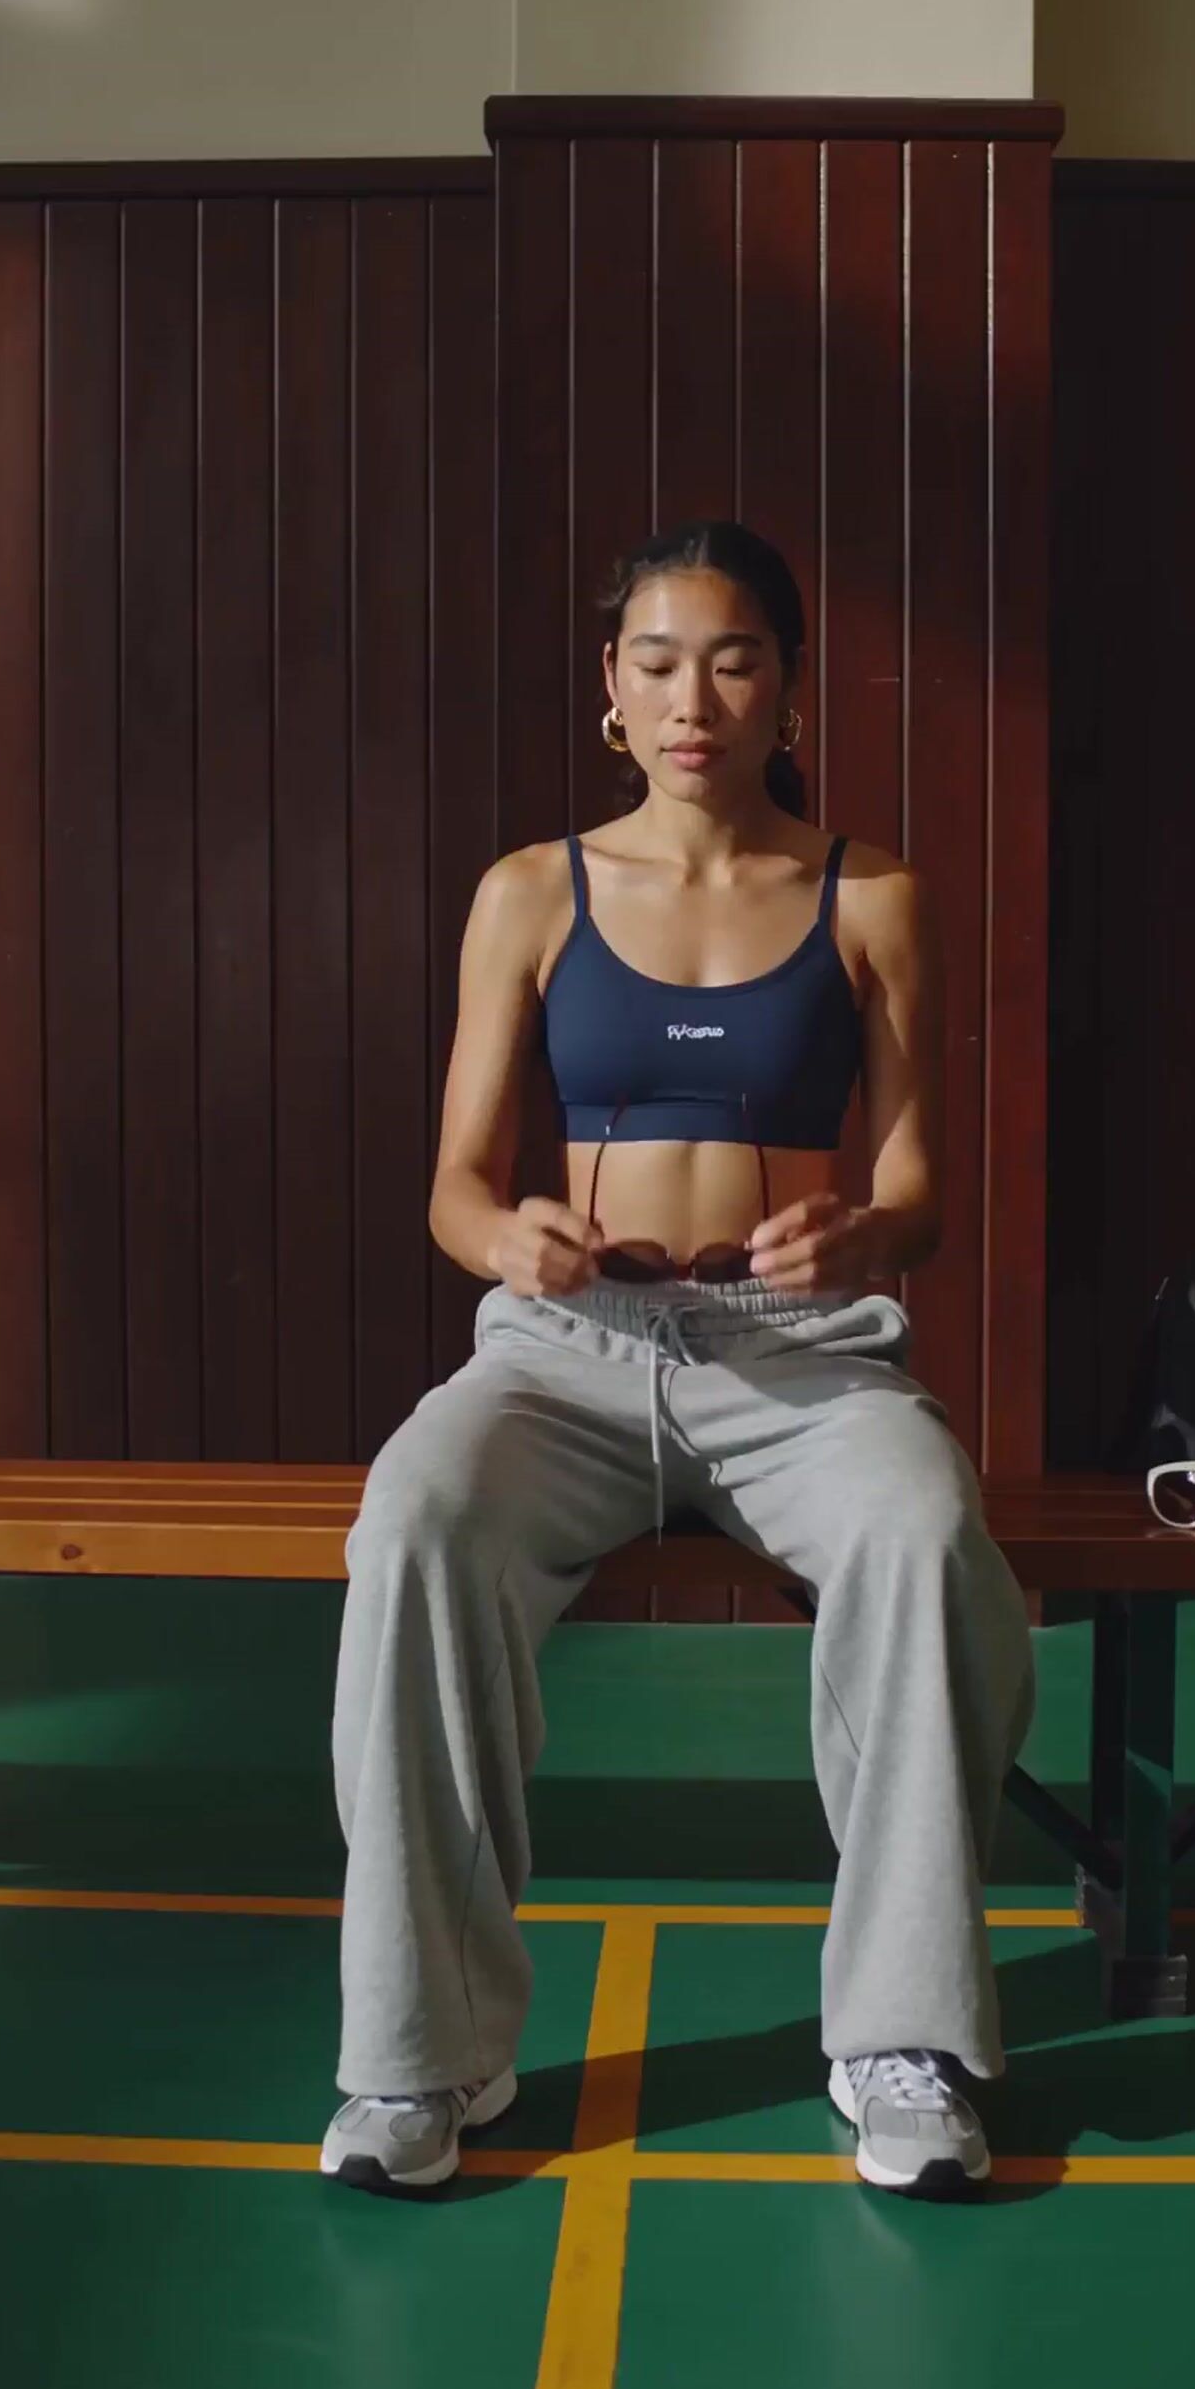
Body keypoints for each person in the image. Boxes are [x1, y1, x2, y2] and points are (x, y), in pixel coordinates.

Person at [322, 519, 1037, 2203]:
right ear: (611, 695)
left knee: (928, 1534)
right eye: (656, 662)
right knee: (414, 1518)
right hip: (564, 1353)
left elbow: (924, 1186)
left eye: (731, 659)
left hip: (800, 1356)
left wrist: (861, 1237)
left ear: (786, 689)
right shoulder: (527, 893)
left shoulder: (874, 895)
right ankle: (421, 2055)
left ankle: (904, 2041)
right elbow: (451, 1183)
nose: (691, 695)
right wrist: (507, 1240)